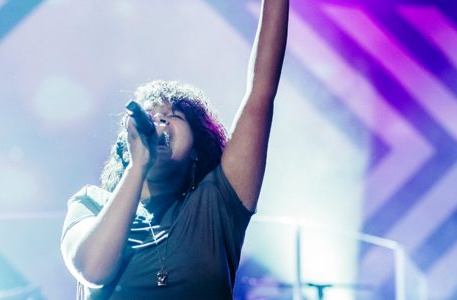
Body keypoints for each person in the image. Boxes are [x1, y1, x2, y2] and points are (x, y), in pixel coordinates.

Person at [60, 0, 288, 298]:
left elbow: (261, 93)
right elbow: (93, 269)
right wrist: (138, 166)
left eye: (174, 115)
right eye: (151, 115)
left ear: (197, 148)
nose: (160, 119)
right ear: (126, 144)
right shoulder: (91, 203)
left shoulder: (216, 202)